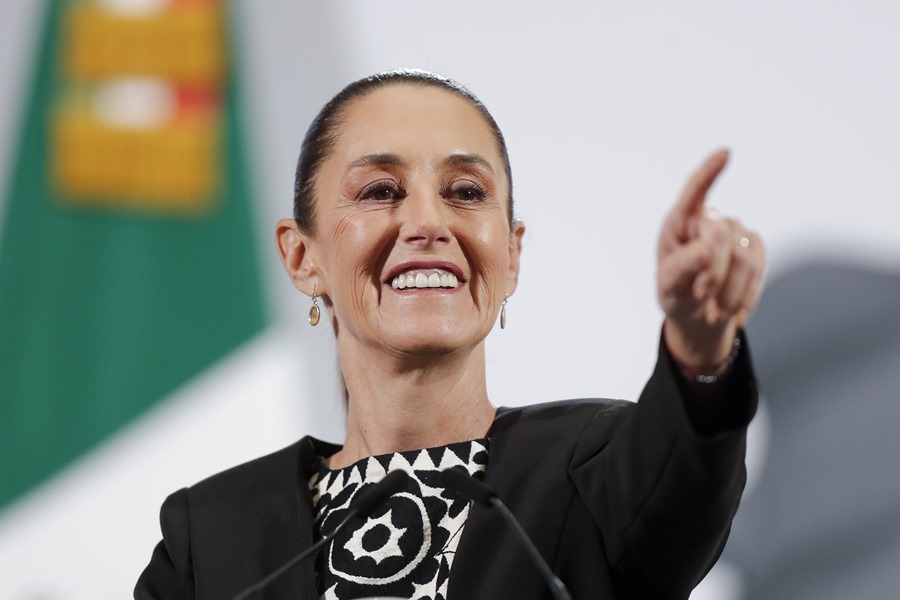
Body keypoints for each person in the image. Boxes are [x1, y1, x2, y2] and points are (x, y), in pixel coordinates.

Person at [135, 69, 765, 600]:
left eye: (465, 192)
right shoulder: (212, 536)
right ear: (303, 258)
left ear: (512, 257)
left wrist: (700, 346)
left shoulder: (595, 471)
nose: (428, 222)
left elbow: (686, 477)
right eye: (380, 191)